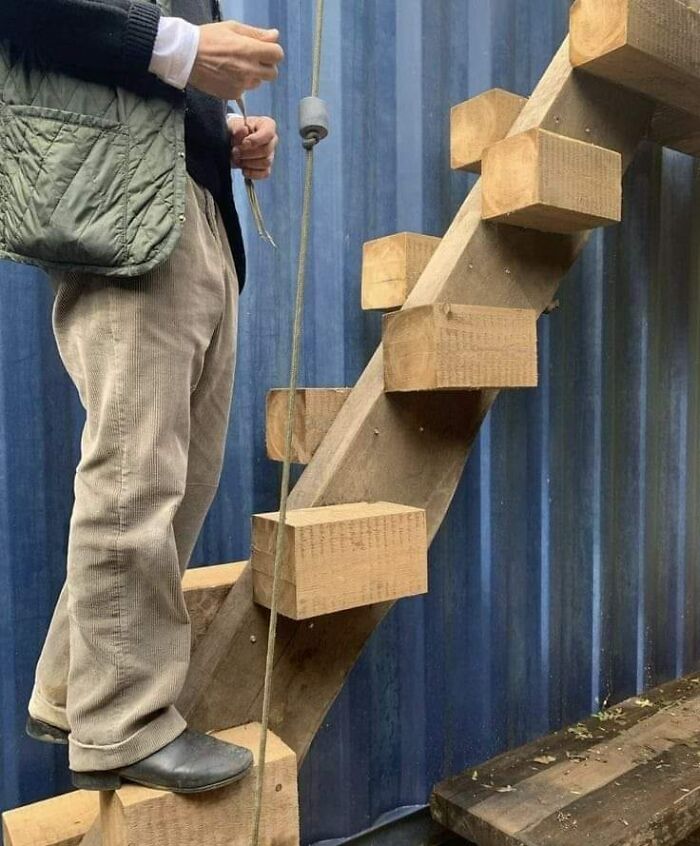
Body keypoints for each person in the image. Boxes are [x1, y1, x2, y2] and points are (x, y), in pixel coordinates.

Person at [0, 0, 284, 794]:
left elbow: (147, 83)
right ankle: (121, 726)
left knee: (178, 477)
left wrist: (219, 132)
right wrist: (187, 48)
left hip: (189, 209)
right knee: (137, 472)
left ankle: (72, 692)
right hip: (121, 211)